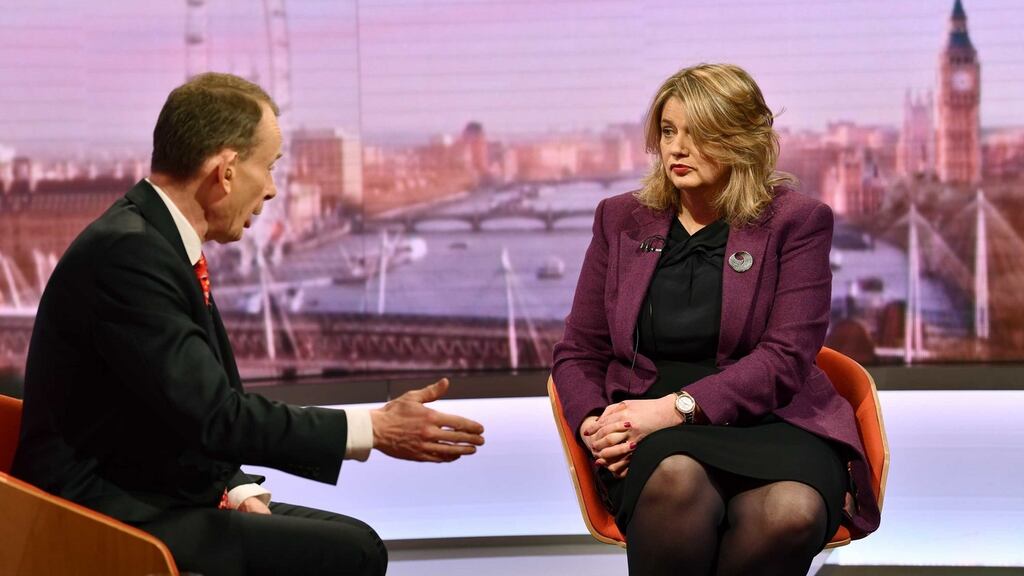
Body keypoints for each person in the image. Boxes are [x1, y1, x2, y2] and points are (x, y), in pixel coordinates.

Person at [12, 72, 485, 576]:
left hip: (151, 486)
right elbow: (216, 416)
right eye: (271, 166)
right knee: (351, 554)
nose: (274, 190)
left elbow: (176, 410)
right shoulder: (129, 253)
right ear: (227, 170)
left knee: (357, 541)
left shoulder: (155, 241)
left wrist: (234, 488)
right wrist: (373, 428)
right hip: (96, 510)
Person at [552, 63, 880, 575]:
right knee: (676, 480)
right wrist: (596, 423)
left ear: (742, 141)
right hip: (648, 426)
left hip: (772, 419)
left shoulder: (796, 222)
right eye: (667, 131)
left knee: (789, 513)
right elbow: (579, 352)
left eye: (697, 133)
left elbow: (785, 360)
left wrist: (674, 410)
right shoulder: (619, 219)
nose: (676, 149)